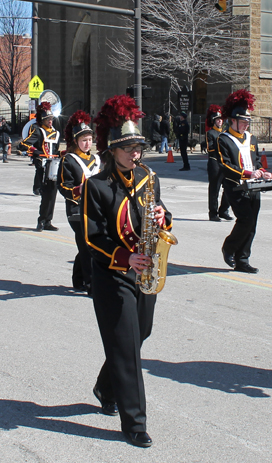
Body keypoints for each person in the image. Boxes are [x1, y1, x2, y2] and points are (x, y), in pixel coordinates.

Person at [82, 95, 172, 448]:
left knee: (137, 337)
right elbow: (92, 238)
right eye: (129, 148)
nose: (136, 154)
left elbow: (161, 210)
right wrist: (124, 258)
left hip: (145, 270)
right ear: (113, 149)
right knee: (127, 346)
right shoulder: (97, 187)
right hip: (112, 275)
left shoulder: (149, 177)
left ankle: (106, 386)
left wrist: (165, 217)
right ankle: (134, 423)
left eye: (139, 147)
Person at [217, 89, 272, 274]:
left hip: (254, 186)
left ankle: (242, 259)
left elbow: (256, 161)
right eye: (243, 121)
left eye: (247, 122)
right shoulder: (223, 139)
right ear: (232, 121)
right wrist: (248, 174)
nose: (246, 125)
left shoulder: (252, 139)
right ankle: (229, 247)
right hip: (236, 187)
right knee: (245, 219)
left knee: (252, 223)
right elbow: (225, 165)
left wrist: (262, 172)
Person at [57, 110, 101, 294]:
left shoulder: (96, 159)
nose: (87, 143)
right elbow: (62, 186)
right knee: (87, 245)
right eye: (83, 140)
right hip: (77, 210)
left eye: (89, 139)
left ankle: (78, 279)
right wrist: (78, 190)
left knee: (88, 245)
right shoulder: (68, 160)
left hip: (96, 209)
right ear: (75, 141)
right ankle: (91, 285)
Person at [20, 102, 61, 231]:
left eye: (51, 119)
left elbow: (56, 150)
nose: (50, 121)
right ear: (42, 120)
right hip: (42, 166)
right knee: (46, 194)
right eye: (47, 119)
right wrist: (35, 151)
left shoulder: (56, 133)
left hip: (53, 166)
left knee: (53, 193)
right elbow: (23, 145)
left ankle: (48, 221)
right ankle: (41, 221)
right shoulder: (38, 131)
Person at [205, 104, 232, 222]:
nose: (220, 121)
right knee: (214, 189)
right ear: (214, 121)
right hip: (215, 163)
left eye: (221, 119)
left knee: (230, 187)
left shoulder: (226, 133)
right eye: (217, 120)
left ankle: (224, 210)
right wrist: (220, 143)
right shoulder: (210, 133)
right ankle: (213, 213)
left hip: (225, 163)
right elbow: (210, 148)